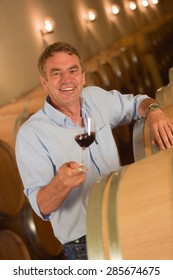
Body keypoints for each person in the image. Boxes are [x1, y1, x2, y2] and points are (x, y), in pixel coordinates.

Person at [15, 41, 173, 260]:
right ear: (44, 81)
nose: (67, 79)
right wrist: (60, 183)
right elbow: (41, 206)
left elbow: (138, 102)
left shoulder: (95, 98)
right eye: (56, 73)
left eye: (73, 70)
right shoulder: (31, 134)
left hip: (124, 218)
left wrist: (154, 111)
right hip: (86, 244)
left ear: (83, 76)